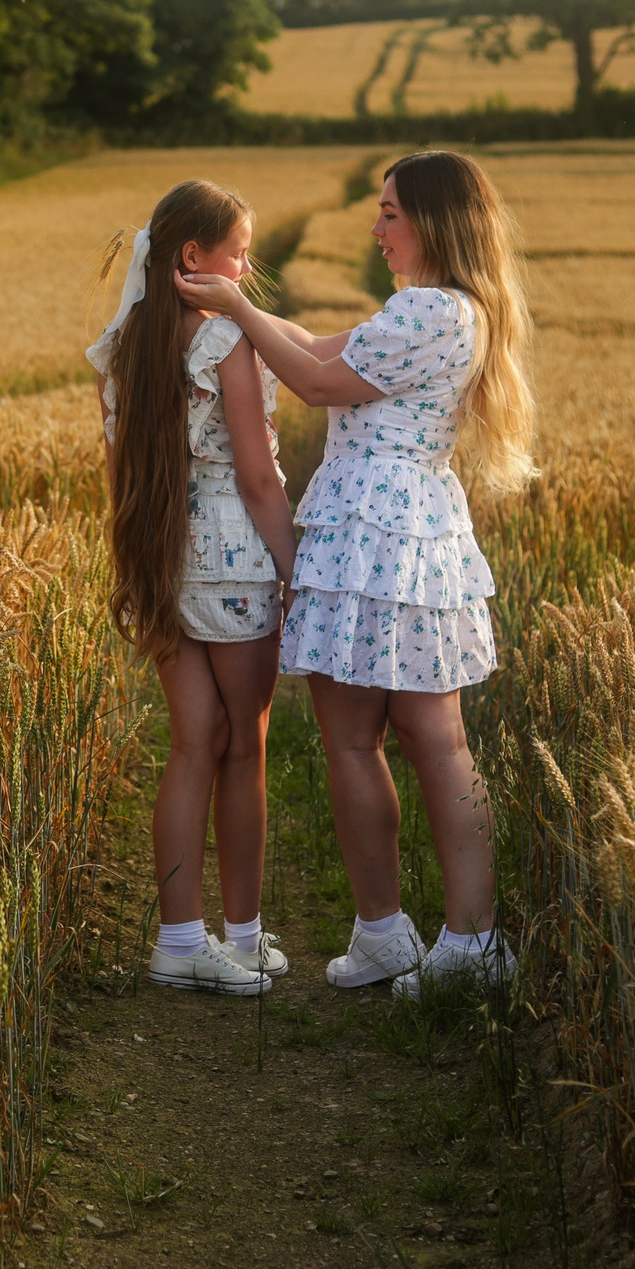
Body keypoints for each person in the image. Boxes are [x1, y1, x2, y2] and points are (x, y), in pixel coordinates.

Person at [175, 150, 536, 997]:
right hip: (396, 534)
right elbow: (313, 344)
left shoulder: (433, 313)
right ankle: (404, 937)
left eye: (390, 213)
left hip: (379, 538)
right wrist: (240, 315)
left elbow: (308, 379)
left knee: (406, 739)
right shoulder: (434, 312)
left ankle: (460, 943)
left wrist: (232, 303)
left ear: (437, 223)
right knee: (401, 738)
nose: (376, 228)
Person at [88, 179, 298, 995]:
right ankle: (241, 937)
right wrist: (295, 569)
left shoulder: (118, 352)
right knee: (243, 746)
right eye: (239, 252)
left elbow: (119, 481)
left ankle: (179, 939)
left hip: (157, 564)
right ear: (192, 258)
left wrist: (137, 571)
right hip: (235, 566)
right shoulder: (223, 345)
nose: (246, 269)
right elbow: (257, 476)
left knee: (189, 745)